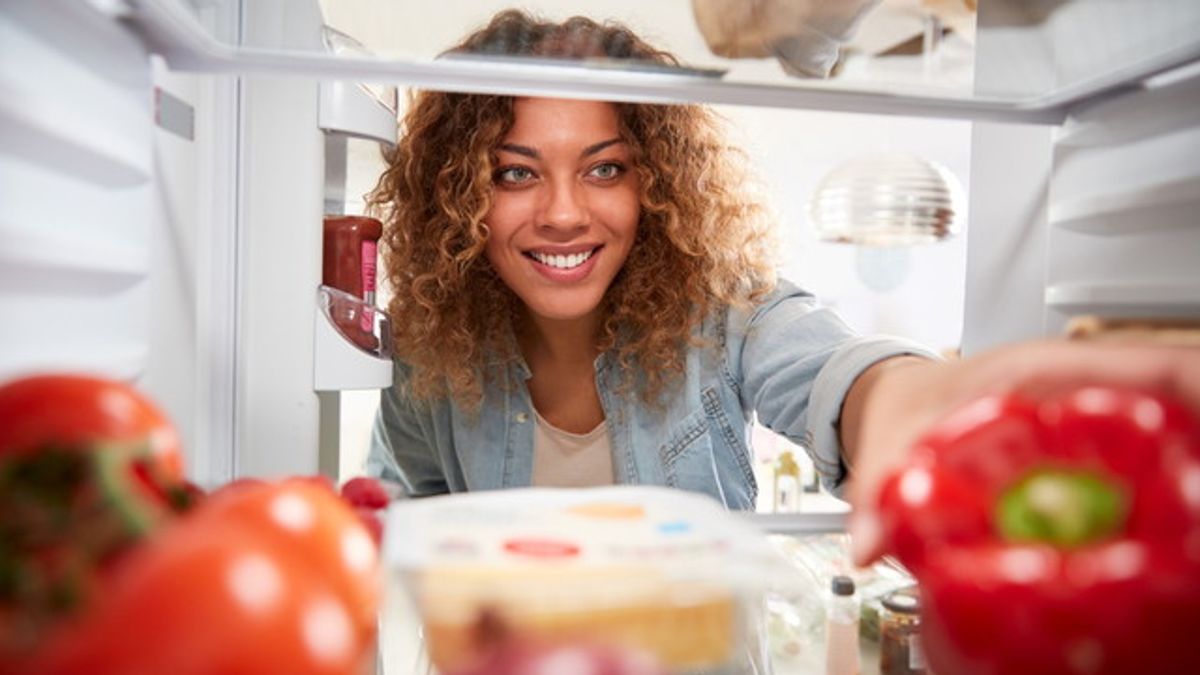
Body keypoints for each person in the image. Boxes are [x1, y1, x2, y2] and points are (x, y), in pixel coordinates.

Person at [366, 9, 1200, 567]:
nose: (562, 213)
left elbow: (831, 369)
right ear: (459, 194)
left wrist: (907, 398)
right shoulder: (430, 349)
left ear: (653, 184)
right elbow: (411, 506)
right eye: (515, 173)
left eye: (605, 168)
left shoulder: (722, 314)